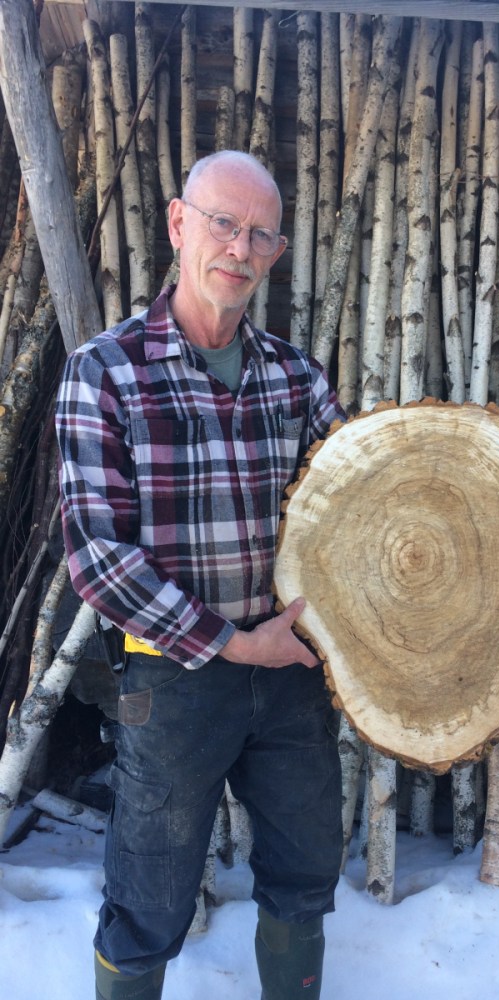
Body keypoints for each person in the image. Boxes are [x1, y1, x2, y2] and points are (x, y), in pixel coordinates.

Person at [55, 150, 345, 1000]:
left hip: (291, 673)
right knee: (147, 898)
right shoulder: (105, 371)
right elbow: (99, 556)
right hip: (173, 678)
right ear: (180, 224)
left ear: (275, 251)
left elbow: (368, 513)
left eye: (261, 234)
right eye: (224, 223)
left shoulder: (296, 379)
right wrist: (230, 642)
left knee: (303, 877)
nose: (241, 248)